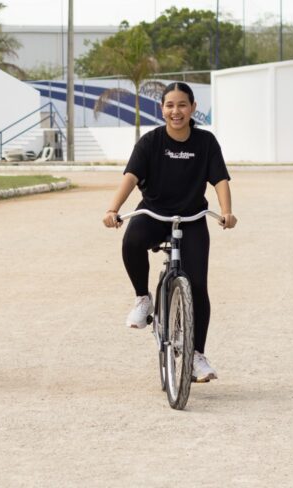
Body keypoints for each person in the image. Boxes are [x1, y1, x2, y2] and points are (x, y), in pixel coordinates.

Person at [102, 82, 237, 383]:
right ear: (162, 109)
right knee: (132, 240)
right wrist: (113, 209)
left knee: (198, 286)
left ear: (193, 109)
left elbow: (220, 179)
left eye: (182, 105)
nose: (176, 111)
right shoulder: (150, 142)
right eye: (170, 105)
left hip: (191, 219)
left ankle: (196, 356)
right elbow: (131, 176)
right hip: (155, 213)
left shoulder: (205, 143)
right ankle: (143, 299)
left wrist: (226, 211)